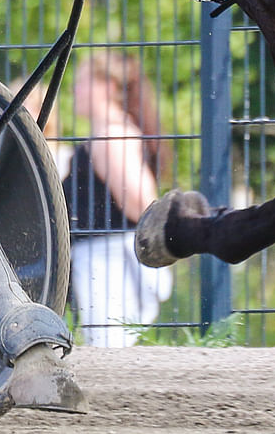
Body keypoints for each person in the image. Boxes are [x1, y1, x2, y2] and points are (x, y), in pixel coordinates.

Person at [62, 50, 174, 346]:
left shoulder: (113, 137)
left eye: (83, 81)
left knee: (110, 347)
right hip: (100, 259)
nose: (75, 89)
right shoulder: (104, 135)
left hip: (110, 262)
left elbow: (142, 205)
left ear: (108, 87)